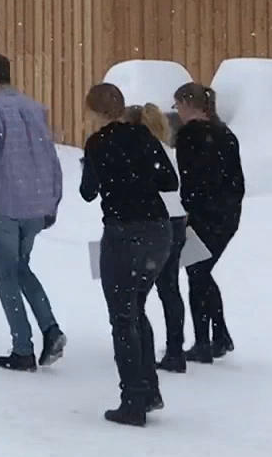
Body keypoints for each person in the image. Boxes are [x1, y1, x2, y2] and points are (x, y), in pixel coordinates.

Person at [0, 53, 67, 372]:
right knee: (21, 269)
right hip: (36, 206)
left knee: (7, 276)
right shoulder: (35, 109)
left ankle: (24, 349)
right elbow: (51, 157)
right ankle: (50, 329)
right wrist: (53, 200)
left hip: (6, 206)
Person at [80, 83, 179, 427]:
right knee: (137, 309)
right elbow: (170, 182)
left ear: (94, 113)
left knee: (123, 317)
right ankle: (149, 389)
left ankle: (133, 400)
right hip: (159, 232)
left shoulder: (97, 144)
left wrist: (101, 167)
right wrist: (140, 174)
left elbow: (87, 193)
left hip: (123, 233)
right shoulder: (143, 136)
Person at [173, 81, 245, 364]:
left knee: (196, 273)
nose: (177, 111)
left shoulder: (190, 135)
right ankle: (220, 336)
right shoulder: (225, 133)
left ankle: (204, 341)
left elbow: (190, 180)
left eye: (177, 105)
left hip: (203, 214)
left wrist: (186, 211)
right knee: (202, 271)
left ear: (189, 105)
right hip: (227, 215)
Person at [128, 103, 189, 373]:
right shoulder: (171, 152)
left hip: (153, 222)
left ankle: (137, 341)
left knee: (136, 288)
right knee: (170, 287)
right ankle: (175, 349)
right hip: (177, 221)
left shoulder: (142, 154)